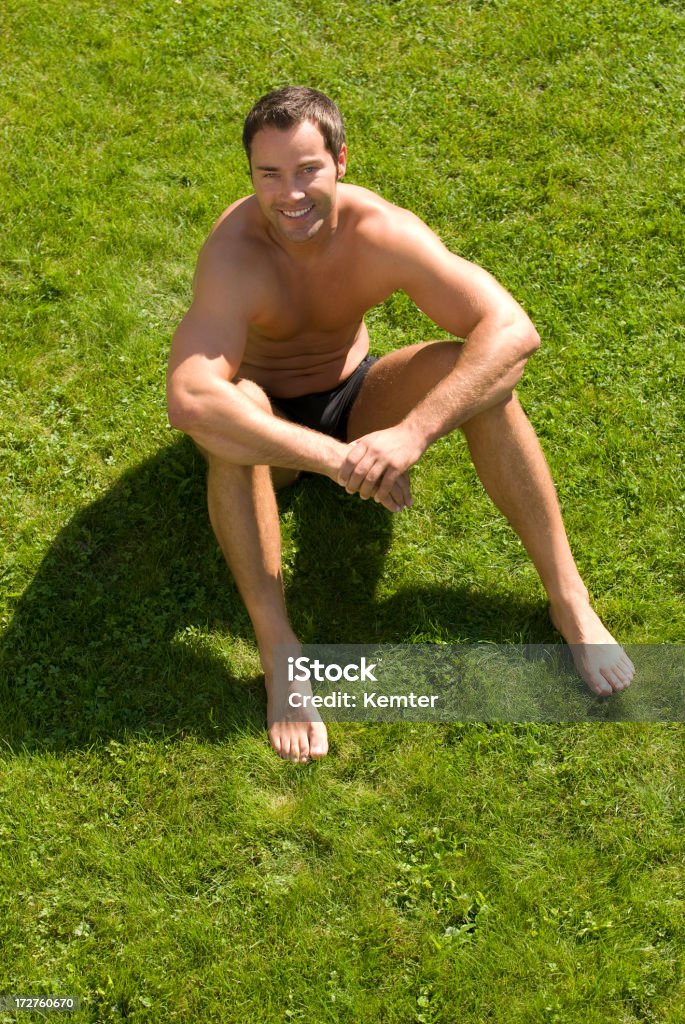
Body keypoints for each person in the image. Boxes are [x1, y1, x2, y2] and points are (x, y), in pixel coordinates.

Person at [167, 86, 635, 763]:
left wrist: (410, 432)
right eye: (268, 174)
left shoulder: (381, 232)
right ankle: (282, 655)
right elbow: (190, 399)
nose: (289, 194)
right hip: (268, 427)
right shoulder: (234, 253)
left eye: (306, 170)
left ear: (340, 161)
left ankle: (568, 599)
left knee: (483, 378)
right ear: (250, 175)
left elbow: (511, 331)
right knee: (226, 415)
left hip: (355, 395)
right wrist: (336, 461)